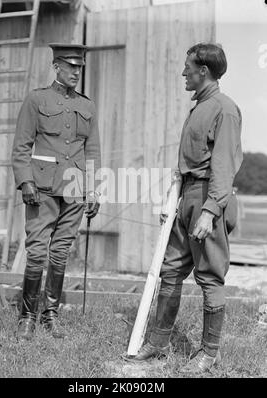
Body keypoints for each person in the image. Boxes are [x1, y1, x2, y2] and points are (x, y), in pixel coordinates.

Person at [131, 43, 242, 374]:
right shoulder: (201, 107)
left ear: (203, 71)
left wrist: (210, 211)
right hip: (188, 197)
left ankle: (210, 353)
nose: (183, 73)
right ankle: (159, 341)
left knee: (209, 275)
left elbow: (224, 166)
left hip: (210, 198)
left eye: (187, 67)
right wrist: (173, 201)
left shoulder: (225, 109)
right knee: (170, 269)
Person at [12, 43, 101, 340]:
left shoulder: (87, 105)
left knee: (61, 252)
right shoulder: (37, 100)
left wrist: (93, 190)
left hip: (75, 189)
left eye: (80, 67)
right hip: (42, 188)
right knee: (37, 251)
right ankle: (27, 316)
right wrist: (26, 181)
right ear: (56, 66)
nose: (76, 72)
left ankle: (50, 314)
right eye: (70, 66)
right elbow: (22, 146)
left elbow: (92, 151)